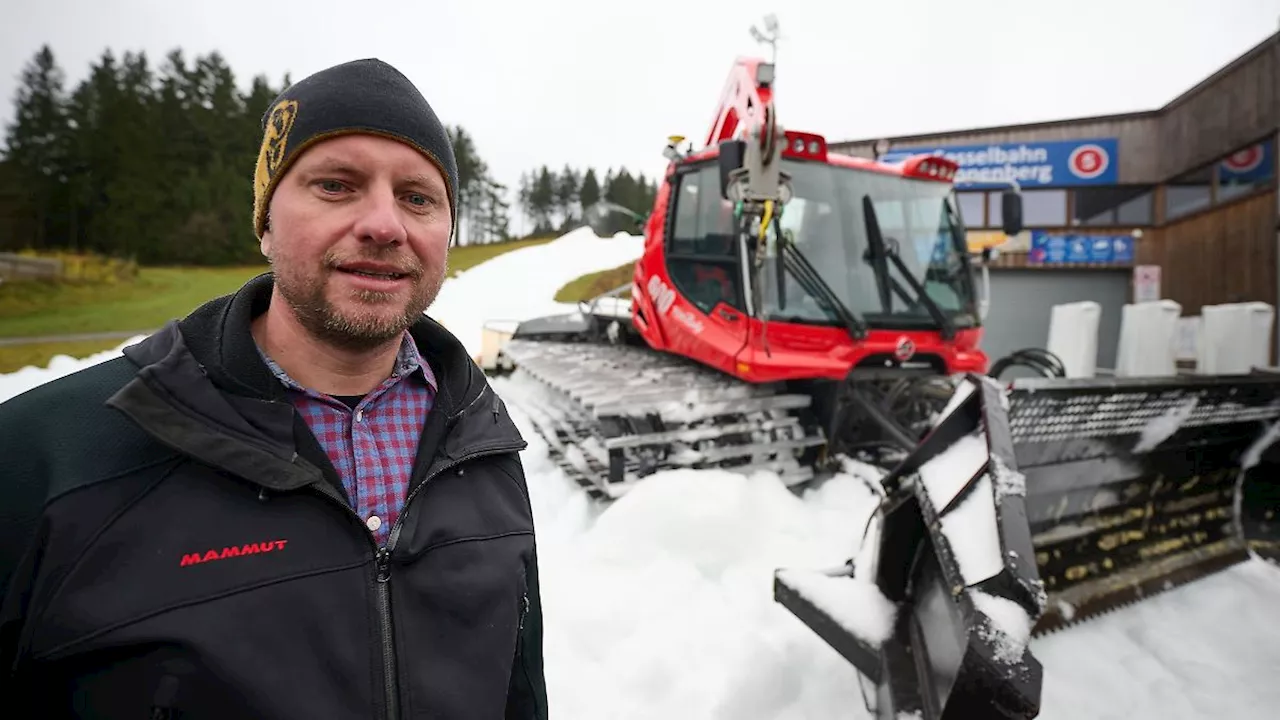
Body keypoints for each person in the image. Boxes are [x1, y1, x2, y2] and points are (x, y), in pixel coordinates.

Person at [0, 57, 547, 719]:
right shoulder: (47, 460)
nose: (384, 224)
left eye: (418, 197)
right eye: (337, 185)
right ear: (264, 221)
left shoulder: (483, 442)